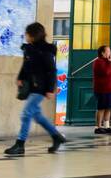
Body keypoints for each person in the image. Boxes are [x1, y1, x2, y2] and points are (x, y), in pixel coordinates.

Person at [5, 22, 66, 156]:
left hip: (41, 87)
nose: (25, 36)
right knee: (37, 116)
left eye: (27, 33)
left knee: (26, 114)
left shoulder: (45, 51)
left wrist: (50, 89)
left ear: (34, 36)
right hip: (31, 86)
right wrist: (20, 77)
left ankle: (20, 145)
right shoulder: (29, 49)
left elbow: (51, 70)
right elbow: (25, 65)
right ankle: (57, 137)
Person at [92, 45, 111, 135]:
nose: (110, 53)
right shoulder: (98, 62)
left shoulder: (108, 62)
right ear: (103, 53)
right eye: (108, 51)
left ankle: (106, 126)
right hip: (102, 89)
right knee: (101, 108)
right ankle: (98, 127)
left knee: (109, 108)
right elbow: (106, 72)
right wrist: (110, 63)